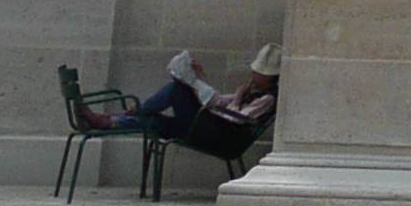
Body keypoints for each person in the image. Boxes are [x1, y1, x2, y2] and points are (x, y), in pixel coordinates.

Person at [88, 45, 280, 139]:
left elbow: (237, 119)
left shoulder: (267, 98)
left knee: (176, 90)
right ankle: (108, 122)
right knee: (155, 121)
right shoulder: (253, 90)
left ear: (271, 77)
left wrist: (238, 98)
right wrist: (199, 79)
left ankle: (133, 111)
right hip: (212, 126)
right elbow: (219, 101)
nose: (254, 73)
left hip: (220, 134)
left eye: (260, 72)